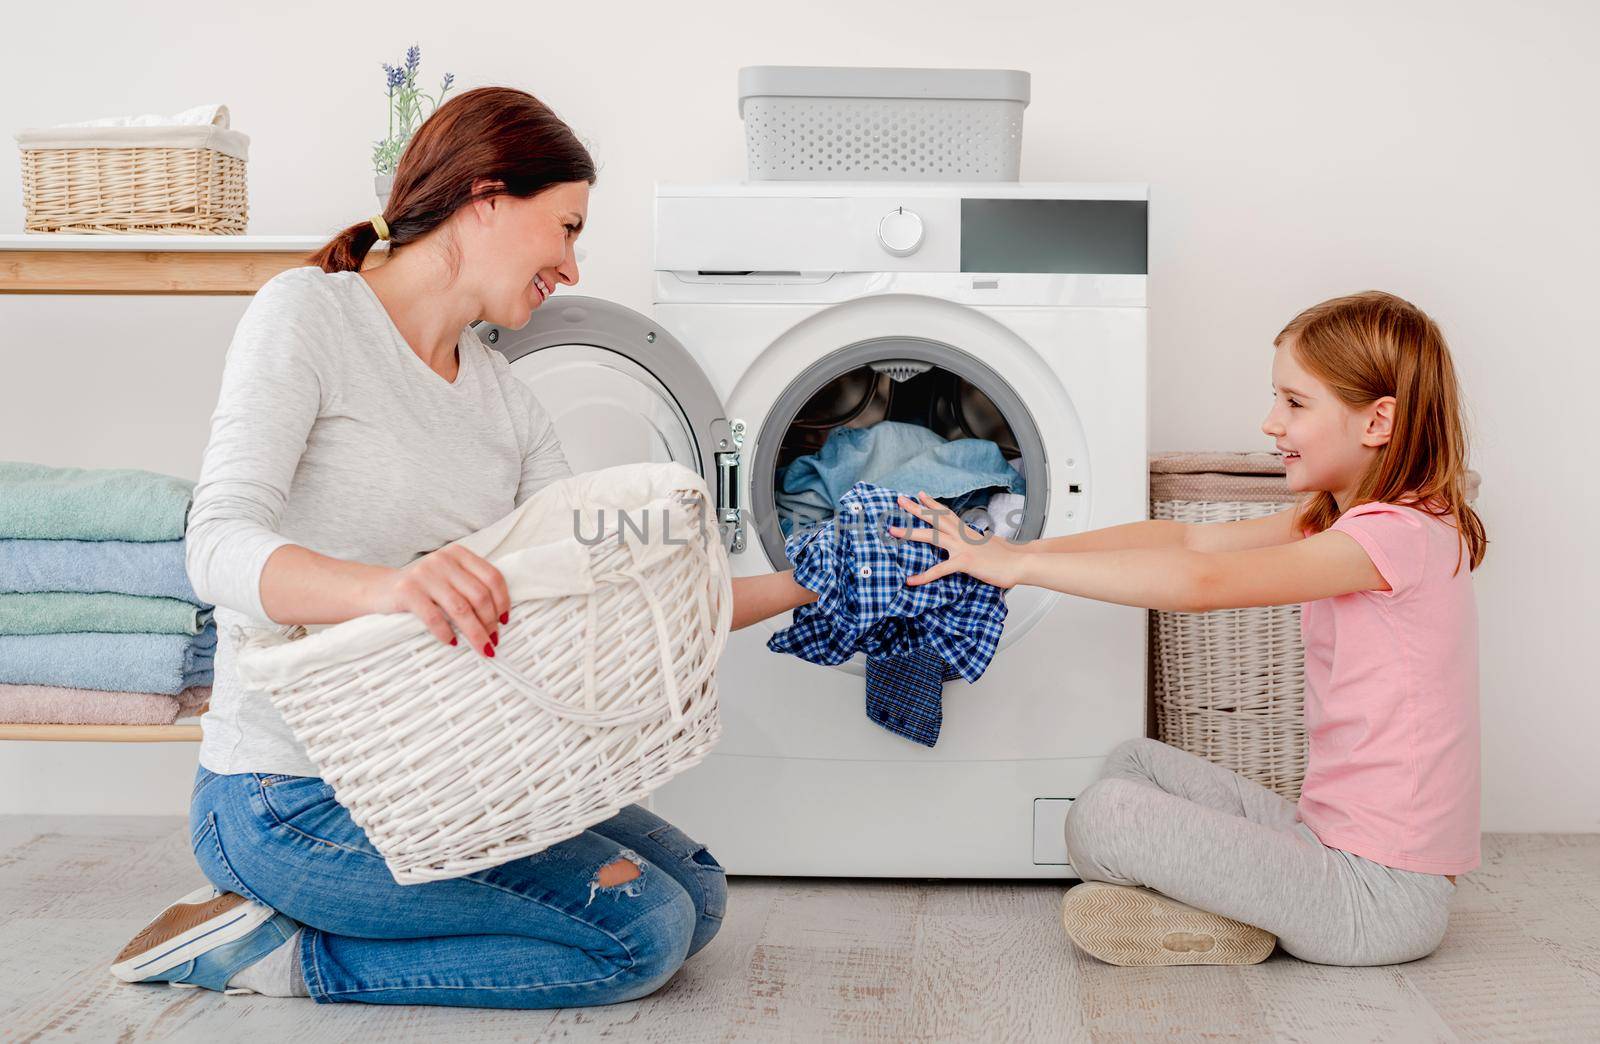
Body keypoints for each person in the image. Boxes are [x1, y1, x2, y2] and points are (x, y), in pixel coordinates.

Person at [109, 86, 814, 1007]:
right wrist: (393, 589)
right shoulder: (309, 317)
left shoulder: (507, 401)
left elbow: (596, 595)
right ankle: (274, 955)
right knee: (640, 934)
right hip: (287, 795)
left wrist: (813, 584)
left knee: (702, 895)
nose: (570, 262)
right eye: (564, 226)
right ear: (486, 199)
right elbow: (216, 547)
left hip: (434, 774)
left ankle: (315, 920)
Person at [890, 290, 1484, 967]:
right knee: (1132, 763)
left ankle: (1242, 910)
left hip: (1377, 897)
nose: (1270, 423)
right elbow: (1188, 544)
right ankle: (1237, 916)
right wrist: (1013, 548)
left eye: (1294, 403)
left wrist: (1019, 568)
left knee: (1104, 816)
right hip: (1326, 842)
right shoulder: (1349, 522)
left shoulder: (1398, 537)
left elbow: (1202, 586)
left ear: (1378, 422)